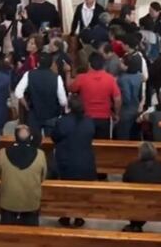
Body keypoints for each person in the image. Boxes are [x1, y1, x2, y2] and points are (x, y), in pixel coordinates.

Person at [52, 95, 97, 228]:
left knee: (66, 191)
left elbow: (55, 137)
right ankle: (79, 216)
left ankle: (65, 215)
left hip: (67, 161)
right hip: (85, 160)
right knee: (81, 191)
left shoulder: (63, 122)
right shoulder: (89, 121)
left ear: (69, 108)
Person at [0, 124, 47, 226]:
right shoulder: (40, 155)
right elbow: (42, 177)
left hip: (8, 201)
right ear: (30, 137)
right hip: (31, 201)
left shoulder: (3, 153)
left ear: (15, 137)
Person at [68, 52, 120, 140]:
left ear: (89, 64)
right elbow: (117, 99)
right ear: (103, 65)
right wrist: (117, 114)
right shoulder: (110, 79)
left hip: (86, 117)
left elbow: (70, 88)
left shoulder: (81, 78)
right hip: (104, 118)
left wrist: (67, 73)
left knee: (85, 143)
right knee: (103, 146)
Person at [15, 51, 67, 138]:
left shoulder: (29, 74)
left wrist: (26, 106)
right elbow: (63, 102)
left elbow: (18, 92)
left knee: (34, 142)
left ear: (38, 63)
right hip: (52, 115)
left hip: (34, 114)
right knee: (50, 142)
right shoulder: (57, 78)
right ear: (51, 64)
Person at [121, 142, 161, 232]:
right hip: (156, 203)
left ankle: (135, 224)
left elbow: (124, 181)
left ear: (140, 153)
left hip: (135, 201)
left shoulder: (132, 166)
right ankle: (136, 225)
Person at [115, 53, 143, 140]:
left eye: (122, 62)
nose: (120, 63)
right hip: (136, 109)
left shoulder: (123, 79)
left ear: (127, 66)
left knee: (123, 136)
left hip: (125, 112)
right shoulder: (139, 75)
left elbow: (126, 98)